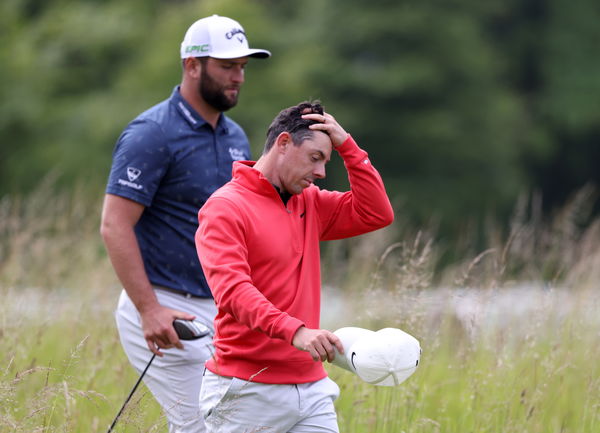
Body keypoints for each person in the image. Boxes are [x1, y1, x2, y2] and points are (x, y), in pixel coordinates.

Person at [100, 15, 270, 432]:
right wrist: (148, 309)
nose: (238, 77)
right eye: (228, 66)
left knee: (240, 422)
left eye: (243, 67)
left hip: (219, 306)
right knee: (203, 425)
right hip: (164, 306)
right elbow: (114, 225)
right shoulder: (151, 133)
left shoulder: (236, 138)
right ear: (193, 65)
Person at [195, 101, 394, 432]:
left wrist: (348, 147)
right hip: (245, 389)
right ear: (283, 143)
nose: (321, 172)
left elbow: (376, 212)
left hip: (312, 387)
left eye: (326, 162)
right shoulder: (224, 208)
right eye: (315, 158)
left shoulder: (310, 202)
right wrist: (295, 331)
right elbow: (233, 292)